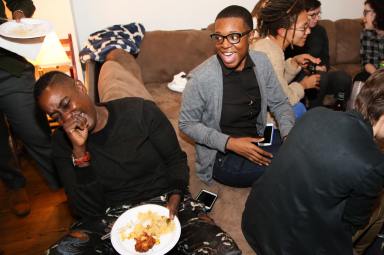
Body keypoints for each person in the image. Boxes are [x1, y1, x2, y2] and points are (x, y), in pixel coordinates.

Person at [34, 60, 241, 254]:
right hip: (108, 216)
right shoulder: (62, 144)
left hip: (164, 202)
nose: (67, 118)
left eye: (66, 104)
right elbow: (85, 211)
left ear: (80, 87)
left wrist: (176, 194)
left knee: (223, 249)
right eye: (57, 116)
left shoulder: (140, 112)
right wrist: (80, 154)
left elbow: (175, 160)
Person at [241, 68, 384, 255]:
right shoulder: (373, 163)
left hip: (254, 223)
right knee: (380, 206)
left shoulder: (314, 113)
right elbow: (354, 222)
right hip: (293, 247)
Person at [179, 5, 295, 188]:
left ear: (251, 36)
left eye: (234, 37)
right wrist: (230, 143)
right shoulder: (201, 78)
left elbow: (280, 103)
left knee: (302, 147)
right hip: (223, 156)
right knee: (290, 166)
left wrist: (289, 135)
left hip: (259, 137)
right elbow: (186, 124)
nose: (224, 45)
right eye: (219, 37)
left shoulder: (262, 62)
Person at [0, 0, 56, 217]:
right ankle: (15, 185)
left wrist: (19, 13)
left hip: (7, 67)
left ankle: (63, 184)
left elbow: (22, 1)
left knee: (36, 132)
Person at [251, 0, 321, 117]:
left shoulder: (269, 46)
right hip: (260, 119)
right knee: (299, 109)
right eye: (304, 27)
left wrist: (293, 63)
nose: (308, 31)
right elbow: (283, 99)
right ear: (282, 31)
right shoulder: (270, 54)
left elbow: (275, 83)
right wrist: (304, 85)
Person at [284, 0, 352, 109]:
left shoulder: (320, 31)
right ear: (303, 14)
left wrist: (324, 66)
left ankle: (339, 104)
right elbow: (291, 61)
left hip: (320, 71)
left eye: (318, 14)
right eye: (313, 15)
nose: (317, 18)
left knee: (343, 78)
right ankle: (315, 109)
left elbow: (325, 56)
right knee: (321, 77)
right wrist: (313, 67)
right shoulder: (295, 32)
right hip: (299, 74)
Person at [354, 0, 384, 82]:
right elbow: (366, 62)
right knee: (359, 78)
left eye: (365, 12)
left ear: (377, 14)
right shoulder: (366, 33)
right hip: (373, 73)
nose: (362, 18)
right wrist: (377, 77)